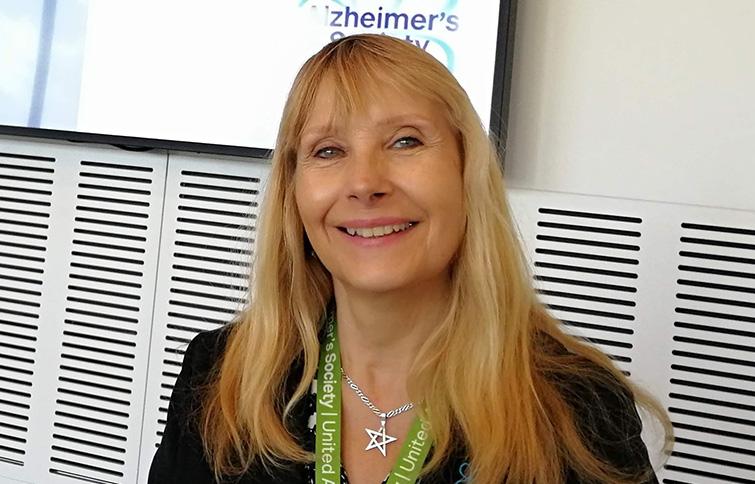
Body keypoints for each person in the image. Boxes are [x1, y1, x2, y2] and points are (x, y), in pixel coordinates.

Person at [148, 34, 670, 484]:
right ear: (294, 194)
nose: (365, 183)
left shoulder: (573, 407)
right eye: (328, 151)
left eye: (405, 141)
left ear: (467, 175)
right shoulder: (218, 377)